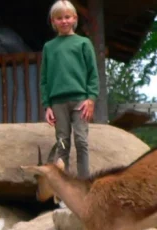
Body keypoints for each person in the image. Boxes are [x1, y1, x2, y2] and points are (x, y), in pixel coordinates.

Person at [40, 0, 100, 180]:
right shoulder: (49, 47)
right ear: (53, 21)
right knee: (62, 143)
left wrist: (91, 99)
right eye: (59, 18)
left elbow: (93, 74)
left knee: (81, 141)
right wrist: (47, 105)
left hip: (80, 100)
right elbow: (44, 79)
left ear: (74, 18)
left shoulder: (83, 43)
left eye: (67, 17)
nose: (64, 21)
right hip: (58, 102)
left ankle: (84, 184)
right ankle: (63, 189)